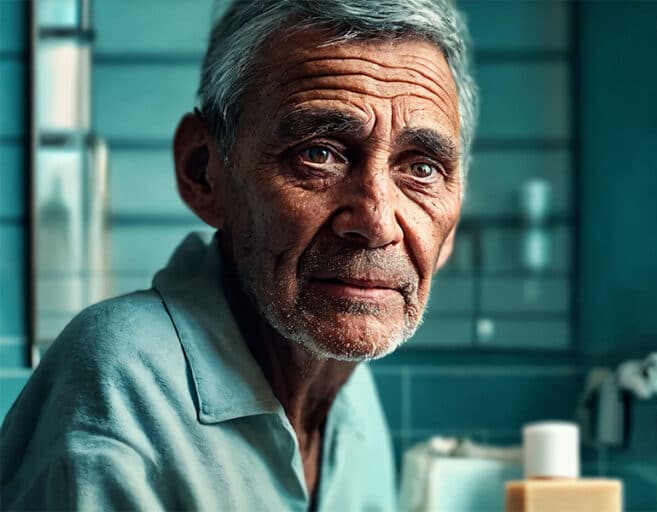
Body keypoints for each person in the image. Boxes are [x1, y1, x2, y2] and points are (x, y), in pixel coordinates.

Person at [1, 0, 477, 509]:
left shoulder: (351, 395)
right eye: (319, 153)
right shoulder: (117, 384)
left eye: (423, 168)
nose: (378, 222)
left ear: (448, 228)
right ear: (203, 171)